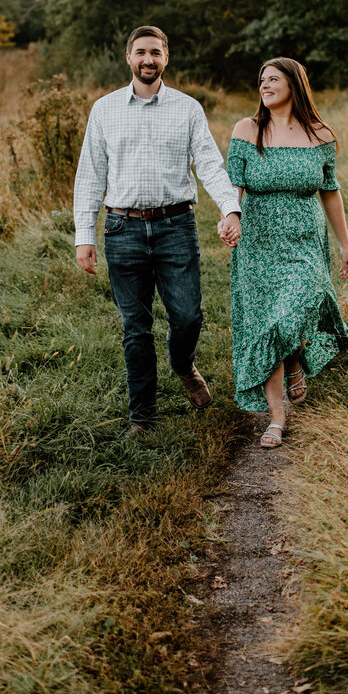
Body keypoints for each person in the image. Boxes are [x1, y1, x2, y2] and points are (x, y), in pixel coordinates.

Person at [74, 25, 242, 433]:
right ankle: (143, 417)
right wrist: (84, 235)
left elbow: (208, 164)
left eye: (155, 52)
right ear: (128, 58)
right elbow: (90, 175)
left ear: (166, 58)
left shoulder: (187, 109)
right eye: (140, 52)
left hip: (176, 227)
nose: (148, 59)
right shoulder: (104, 109)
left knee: (188, 317)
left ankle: (182, 364)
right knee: (136, 327)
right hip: (122, 228)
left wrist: (230, 209)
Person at [221, 57, 348, 448]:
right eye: (261, 80)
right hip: (258, 241)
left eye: (273, 79)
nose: (264, 86)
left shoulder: (320, 134)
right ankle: (277, 418)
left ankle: (295, 356)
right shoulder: (247, 130)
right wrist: (230, 218)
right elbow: (233, 186)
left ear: (295, 85)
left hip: (304, 238)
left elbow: (330, 191)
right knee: (268, 324)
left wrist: (344, 244)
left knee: (297, 306)